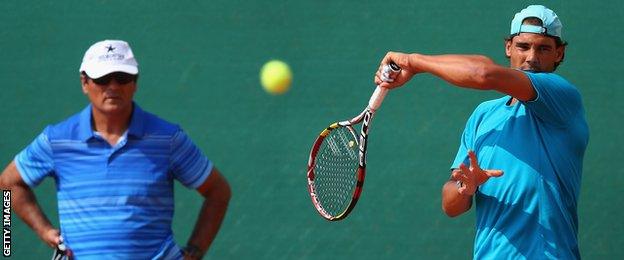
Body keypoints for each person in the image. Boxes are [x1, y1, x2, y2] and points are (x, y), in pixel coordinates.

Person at [374, 5, 588, 259]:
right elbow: (450, 205)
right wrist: (465, 187)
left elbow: (482, 73)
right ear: (508, 47)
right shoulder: (483, 116)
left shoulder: (563, 97)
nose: (532, 57)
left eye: (543, 48)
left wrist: (412, 62)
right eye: (523, 46)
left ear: (559, 53)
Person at [0, 39, 231, 259]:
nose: (112, 86)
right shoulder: (57, 139)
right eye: (102, 78)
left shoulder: (168, 138)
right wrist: (41, 231)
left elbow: (218, 191)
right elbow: (8, 183)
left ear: (135, 83)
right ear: (84, 83)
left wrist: (194, 252)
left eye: (122, 77)